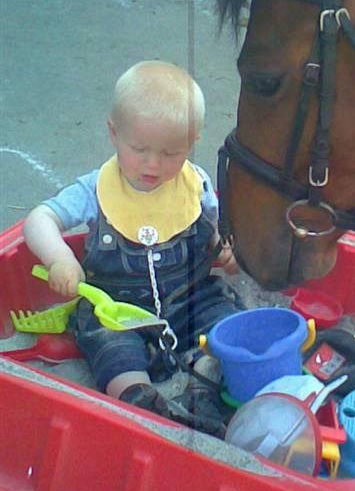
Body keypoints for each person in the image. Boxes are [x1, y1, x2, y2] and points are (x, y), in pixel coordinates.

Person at [23, 60, 243, 415]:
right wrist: (59, 258)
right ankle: (140, 399)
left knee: (225, 320)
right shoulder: (96, 188)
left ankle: (206, 382)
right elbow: (40, 218)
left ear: (192, 142)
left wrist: (227, 248)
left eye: (172, 153)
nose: (153, 164)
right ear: (114, 133)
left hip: (189, 296)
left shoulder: (195, 184)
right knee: (110, 346)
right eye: (139, 149)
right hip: (116, 309)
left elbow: (220, 226)